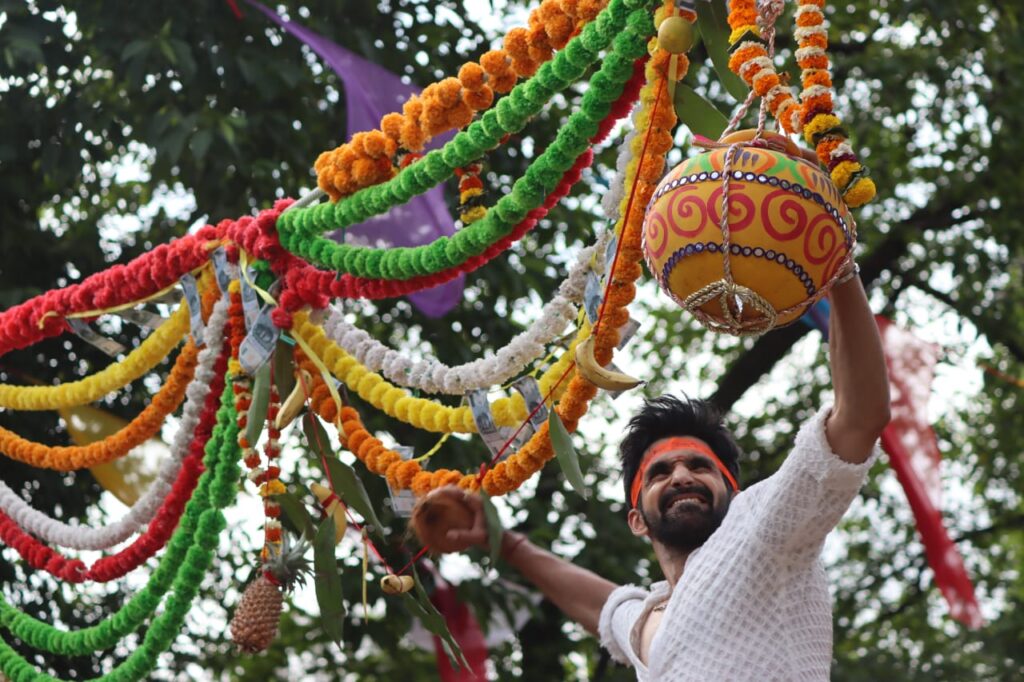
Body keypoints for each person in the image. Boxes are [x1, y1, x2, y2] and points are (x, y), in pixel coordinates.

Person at [430, 264, 890, 680]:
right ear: (636, 519)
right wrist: (504, 541)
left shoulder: (762, 528)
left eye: (699, 466)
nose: (680, 477)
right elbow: (603, 606)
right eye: (660, 472)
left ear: (734, 495)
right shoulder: (650, 617)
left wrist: (840, 271)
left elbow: (859, 417)